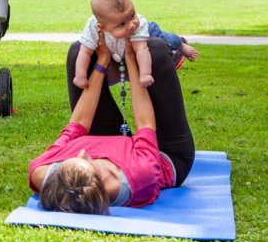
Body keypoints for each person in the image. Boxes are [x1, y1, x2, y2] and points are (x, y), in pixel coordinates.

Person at [29, 32, 196, 214]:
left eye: (67, 163)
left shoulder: (42, 171)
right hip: (164, 152)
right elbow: (145, 122)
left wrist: (102, 60)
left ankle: (114, 62)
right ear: (102, 178)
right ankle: (159, 61)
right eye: (88, 162)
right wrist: (132, 59)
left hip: (110, 142)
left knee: (79, 52)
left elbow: (78, 123)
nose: (83, 153)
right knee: (153, 49)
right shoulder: (140, 175)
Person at [73, 0, 199, 89]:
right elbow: (84, 52)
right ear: (103, 27)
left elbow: (141, 50)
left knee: (164, 39)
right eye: (122, 24)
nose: (131, 25)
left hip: (149, 32)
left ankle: (181, 44)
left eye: (132, 15)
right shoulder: (93, 28)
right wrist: (80, 76)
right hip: (117, 50)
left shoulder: (138, 25)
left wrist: (145, 74)